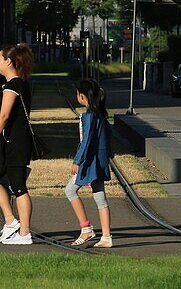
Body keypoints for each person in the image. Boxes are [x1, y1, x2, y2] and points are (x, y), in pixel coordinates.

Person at [0, 44, 36, 246]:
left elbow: (4, 116)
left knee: (19, 186)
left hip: (16, 142)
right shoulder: (20, 84)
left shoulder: (13, 86)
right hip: (11, 142)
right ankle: (11, 221)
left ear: (9, 62)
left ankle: (25, 232)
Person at [66, 78, 114, 248]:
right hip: (99, 160)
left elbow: (86, 141)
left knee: (70, 190)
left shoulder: (88, 117)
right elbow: (107, 137)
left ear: (82, 96)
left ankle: (86, 228)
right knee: (100, 196)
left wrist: (77, 161)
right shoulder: (101, 115)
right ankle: (106, 236)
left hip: (89, 161)